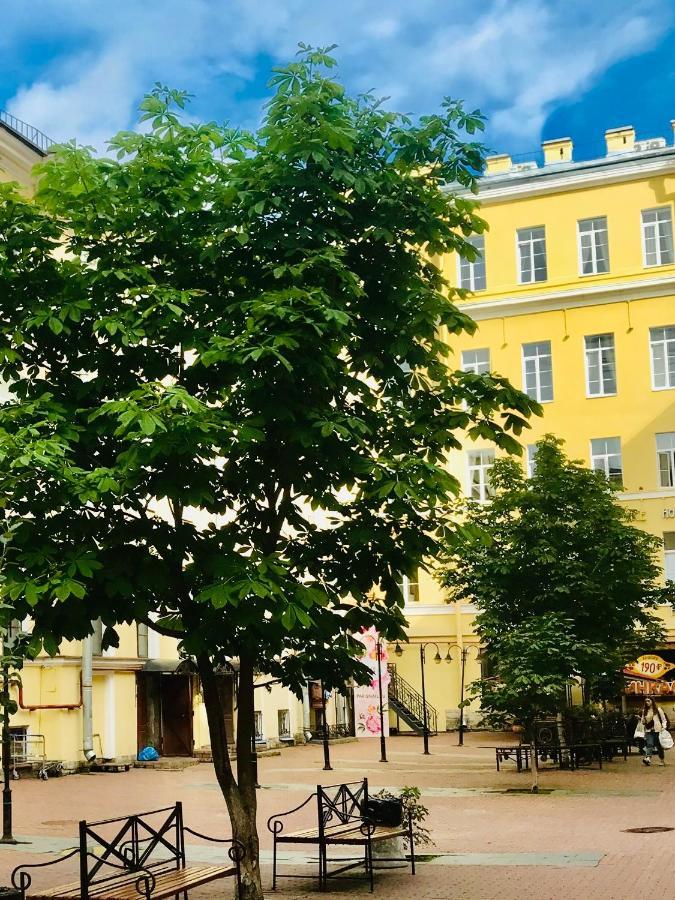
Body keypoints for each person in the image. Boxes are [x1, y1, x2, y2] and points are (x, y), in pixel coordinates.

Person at [641, 697, 668, 766]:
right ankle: (648, 758)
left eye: (648, 701)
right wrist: (643, 721)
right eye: (646, 701)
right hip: (648, 729)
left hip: (657, 730)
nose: (647, 702)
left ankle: (662, 760)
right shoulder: (644, 711)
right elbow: (642, 721)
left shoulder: (658, 710)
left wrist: (664, 727)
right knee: (649, 744)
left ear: (652, 701)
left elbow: (664, 719)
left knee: (659, 745)